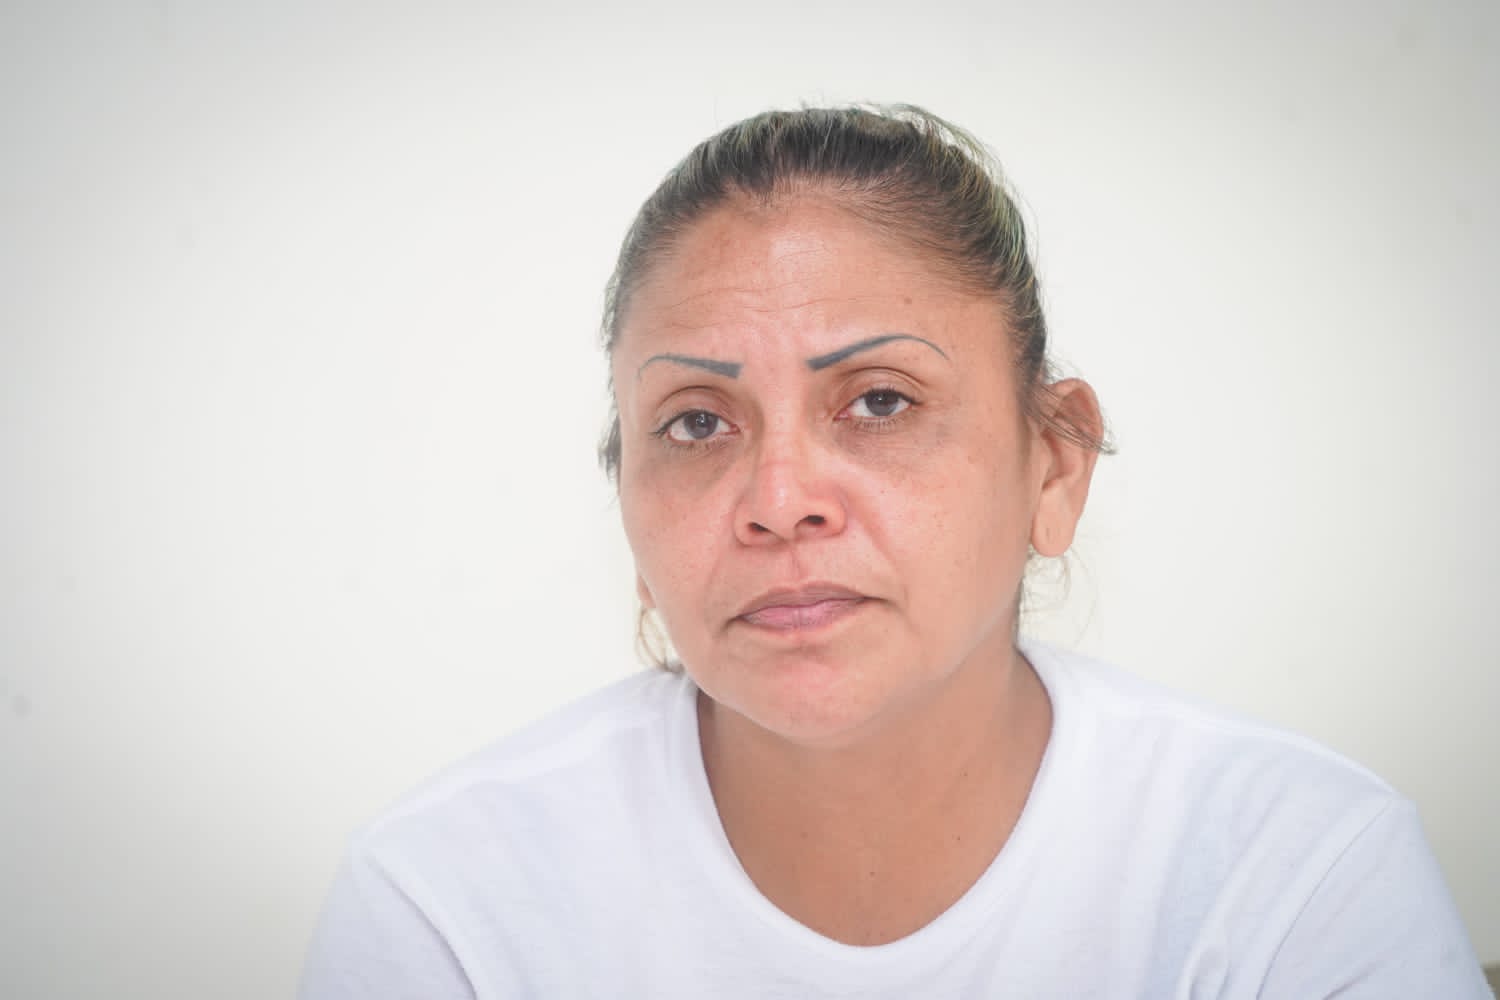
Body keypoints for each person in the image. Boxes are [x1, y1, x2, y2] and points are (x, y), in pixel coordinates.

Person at [298, 105, 1488, 998]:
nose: (779, 502)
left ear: (1054, 465)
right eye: (697, 424)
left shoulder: (1298, 879)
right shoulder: (447, 909)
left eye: (879, 401)